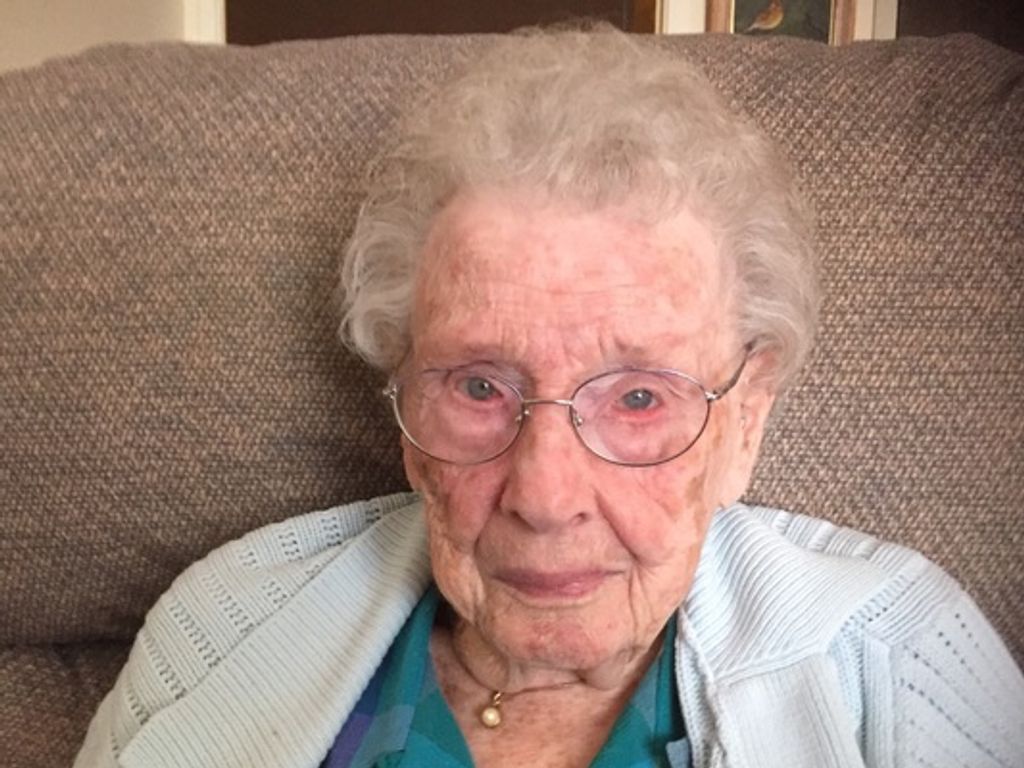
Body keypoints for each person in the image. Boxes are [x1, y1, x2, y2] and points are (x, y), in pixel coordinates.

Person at [75, 26, 1024, 768]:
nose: (544, 495)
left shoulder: (897, 660)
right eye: (480, 386)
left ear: (744, 423)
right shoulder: (225, 626)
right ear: (406, 413)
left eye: (639, 398)